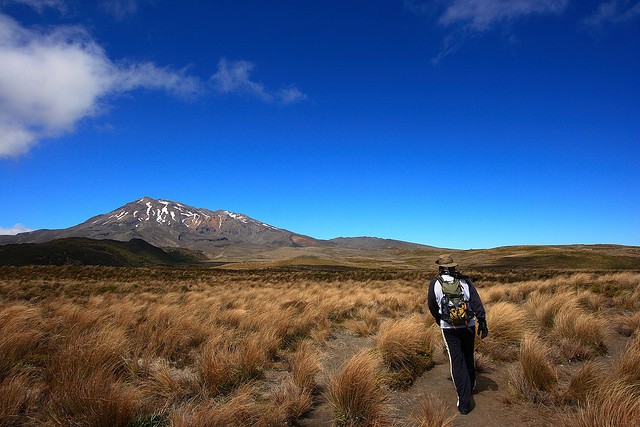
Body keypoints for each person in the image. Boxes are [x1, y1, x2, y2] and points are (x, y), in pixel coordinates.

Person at [427, 254, 488, 415]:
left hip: (449, 328)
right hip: (469, 325)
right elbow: (476, 302)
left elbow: (432, 306)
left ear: (440, 267)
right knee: (468, 354)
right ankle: (471, 384)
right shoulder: (465, 281)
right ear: (454, 267)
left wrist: (441, 320)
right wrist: (482, 321)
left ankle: (464, 401)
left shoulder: (435, 284)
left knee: (457, 360)